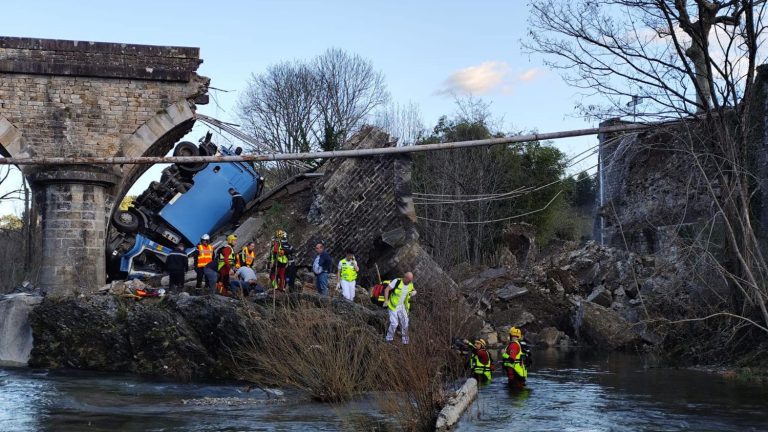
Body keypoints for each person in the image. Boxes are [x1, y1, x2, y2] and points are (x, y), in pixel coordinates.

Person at [384, 272, 416, 344]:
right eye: (409, 280)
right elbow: (386, 289)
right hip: (393, 306)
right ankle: (388, 338)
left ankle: (405, 341)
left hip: (402, 306)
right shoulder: (397, 281)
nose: (410, 281)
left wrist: (414, 291)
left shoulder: (410, 284)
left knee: (405, 322)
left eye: (411, 280)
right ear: (405, 278)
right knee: (394, 323)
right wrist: (386, 301)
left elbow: (413, 289)